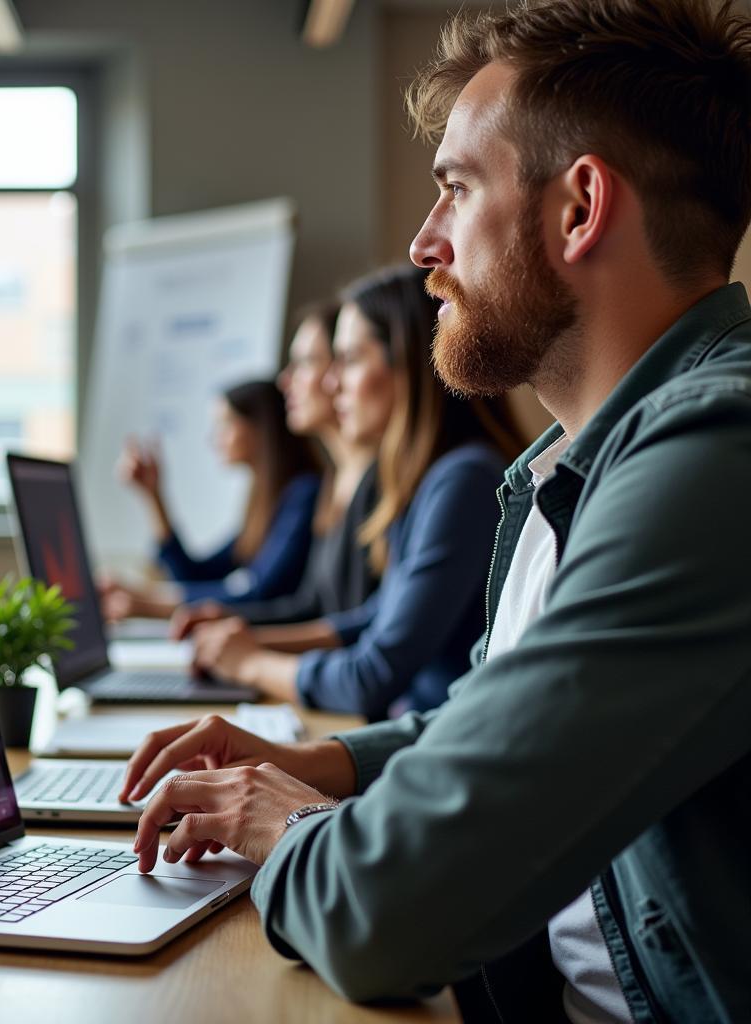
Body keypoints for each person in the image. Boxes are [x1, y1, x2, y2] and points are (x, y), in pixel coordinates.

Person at [120, 1, 751, 1020]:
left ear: (579, 207)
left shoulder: (715, 458)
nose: (423, 244)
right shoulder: (561, 470)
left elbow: (380, 914)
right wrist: (310, 762)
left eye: (456, 189)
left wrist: (281, 824)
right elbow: (493, 721)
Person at [180, 266, 526, 720]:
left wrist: (251, 663)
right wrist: (250, 639)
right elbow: (373, 619)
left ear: (406, 363)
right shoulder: (429, 481)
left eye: (350, 359)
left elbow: (373, 675)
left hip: (428, 745)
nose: (330, 382)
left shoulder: (464, 480)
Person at [172, 300, 383, 640]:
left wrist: (247, 645)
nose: (285, 381)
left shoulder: (375, 484)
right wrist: (232, 624)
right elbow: (313, 605)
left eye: (306, 363)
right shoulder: (335, 482)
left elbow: (372, 630)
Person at [99, 380, 321, 620]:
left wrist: (149, 603)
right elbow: (194, 574)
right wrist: (153, 496)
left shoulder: (303, 495)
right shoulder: (265, 504)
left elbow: (260, 592)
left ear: (260, 428)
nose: (214, 438)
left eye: (225, 424)